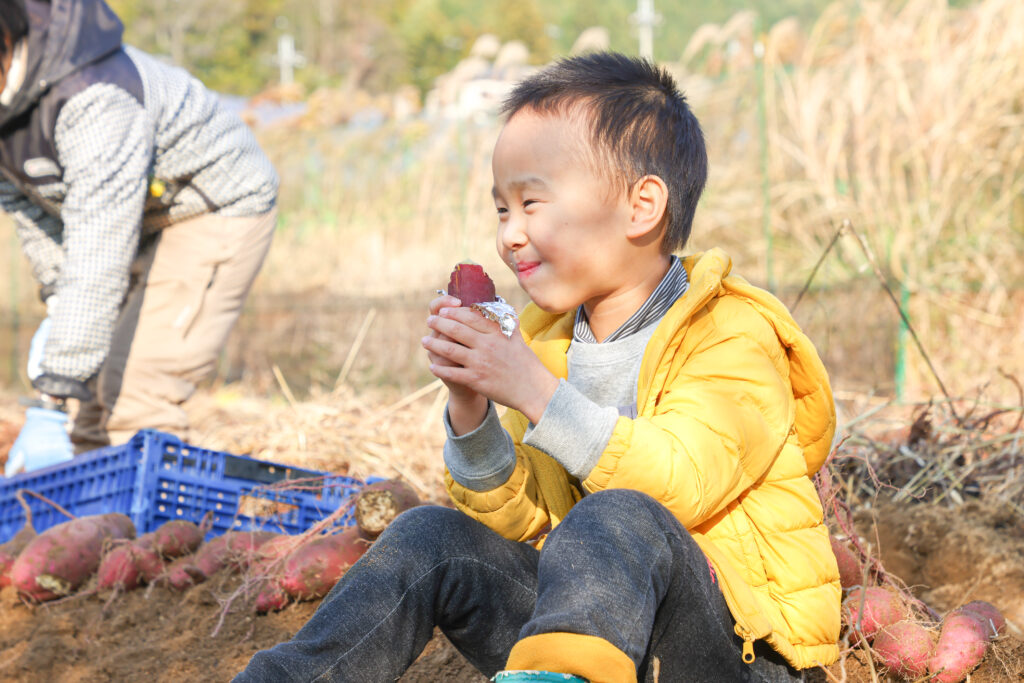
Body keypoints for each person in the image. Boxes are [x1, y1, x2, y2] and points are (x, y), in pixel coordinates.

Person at [235, 52, 840, 683]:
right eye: (502, 208)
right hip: (594, 639)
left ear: (641, 207)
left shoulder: (730, 333)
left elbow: (679, 481)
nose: (510, 235)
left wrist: (534, 390)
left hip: (738, 649)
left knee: (617, 515)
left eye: (532, 202)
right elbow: (521, 519)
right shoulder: (550, 340)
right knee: (428, 537)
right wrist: (471, 406)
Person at [0, 0, 278, 475]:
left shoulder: (90, 95)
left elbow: (99, 246)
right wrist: (58, 303)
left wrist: (51, 395)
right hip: (131, 218)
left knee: (134, 397)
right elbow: (32, 210)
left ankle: (154, 541)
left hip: (208, 207)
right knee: (86, 406)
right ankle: (88, 533)